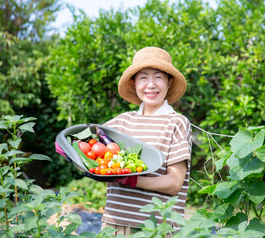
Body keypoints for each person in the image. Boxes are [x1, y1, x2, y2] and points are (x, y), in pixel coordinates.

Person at [57, 47, 192, 236]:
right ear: (134, 82)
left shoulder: (176, 122)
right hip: (115, 225)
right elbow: (89, 142)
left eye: (158, 77)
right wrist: (69, 146)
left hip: (156, 228)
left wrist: (132, 179)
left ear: (169, 83)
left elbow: (174, 183)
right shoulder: (121, 122)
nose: (151, 85)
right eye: (143, 77)